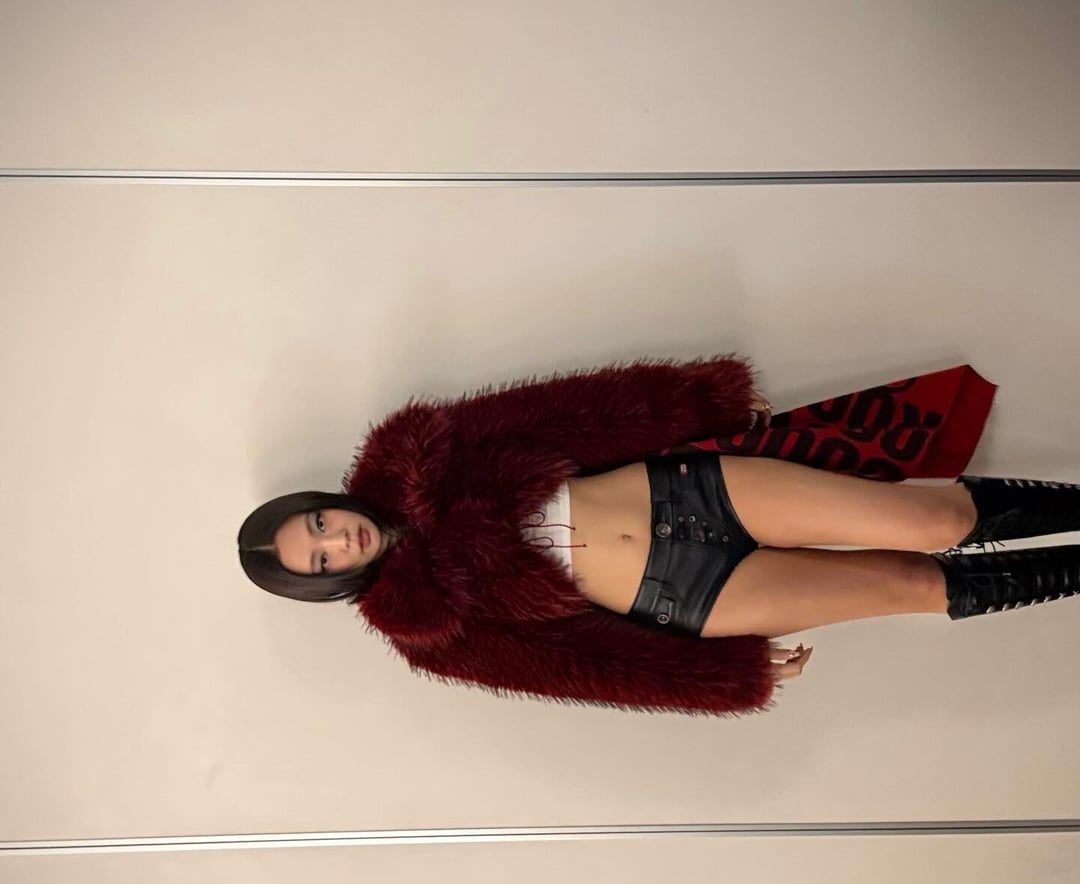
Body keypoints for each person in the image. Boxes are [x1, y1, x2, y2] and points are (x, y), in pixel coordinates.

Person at [238, 354, 1080, 717]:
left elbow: (568, 412)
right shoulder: (429, 630)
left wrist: (697, 399)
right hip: (687, 597)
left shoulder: (418, 452)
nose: (336, 540)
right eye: (319, 559)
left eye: (318, 523)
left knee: (934, 520)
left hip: (694, 494)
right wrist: (726, 675)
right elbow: (584, 670)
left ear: (323, 503)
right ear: (326, 582)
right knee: (910, 586)